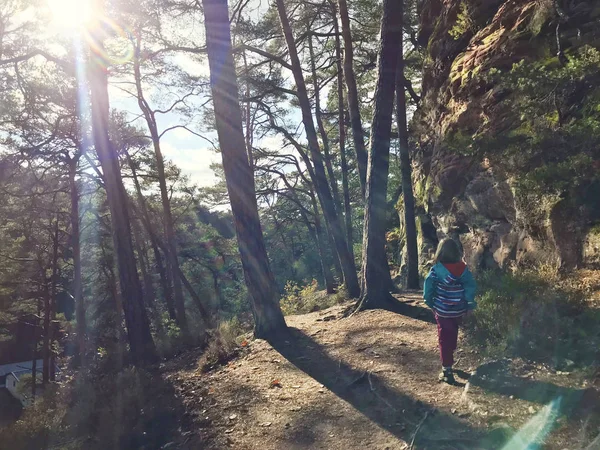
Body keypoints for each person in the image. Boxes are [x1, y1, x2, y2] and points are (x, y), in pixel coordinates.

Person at [423, 238, 477, 384]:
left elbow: (428, 289)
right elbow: (470, 287)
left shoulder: (435, 270)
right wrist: (470, 305)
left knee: (443, 338)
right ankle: (450, 356)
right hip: (458, 310)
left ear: (439, 252)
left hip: (442, 311)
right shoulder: (463, 269)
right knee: (453, 332)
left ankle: (447, 370)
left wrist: (430, 303)